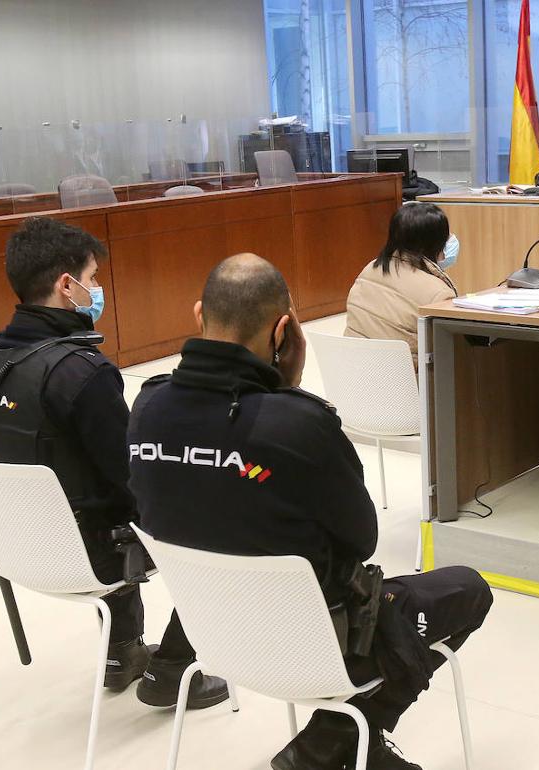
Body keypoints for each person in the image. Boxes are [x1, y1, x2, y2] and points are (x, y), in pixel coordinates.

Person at [127, 254, 493, 770]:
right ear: (284, 332)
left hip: (214, 637)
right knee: (469, 589)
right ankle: (330, 743)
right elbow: (361, 539)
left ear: (198, 316)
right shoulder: (299, 425)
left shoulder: (147, 408)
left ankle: (342, 742)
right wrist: (287, 393)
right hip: (321, 646)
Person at [0, 217, 229, 710]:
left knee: (94, 494)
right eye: (93, 278)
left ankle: (122, 651)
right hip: (84, 553)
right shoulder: (81, 372)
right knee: (220, 513)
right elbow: (131, 478)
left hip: (11, 543)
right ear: (68, 286)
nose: (97, 289)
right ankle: (173, 669)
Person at [344, 203, 458, 364]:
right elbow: (451, 350)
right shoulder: (438, 292)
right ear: (435, 242)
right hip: (405, 376)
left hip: (356, 369)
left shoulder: (370, 268)